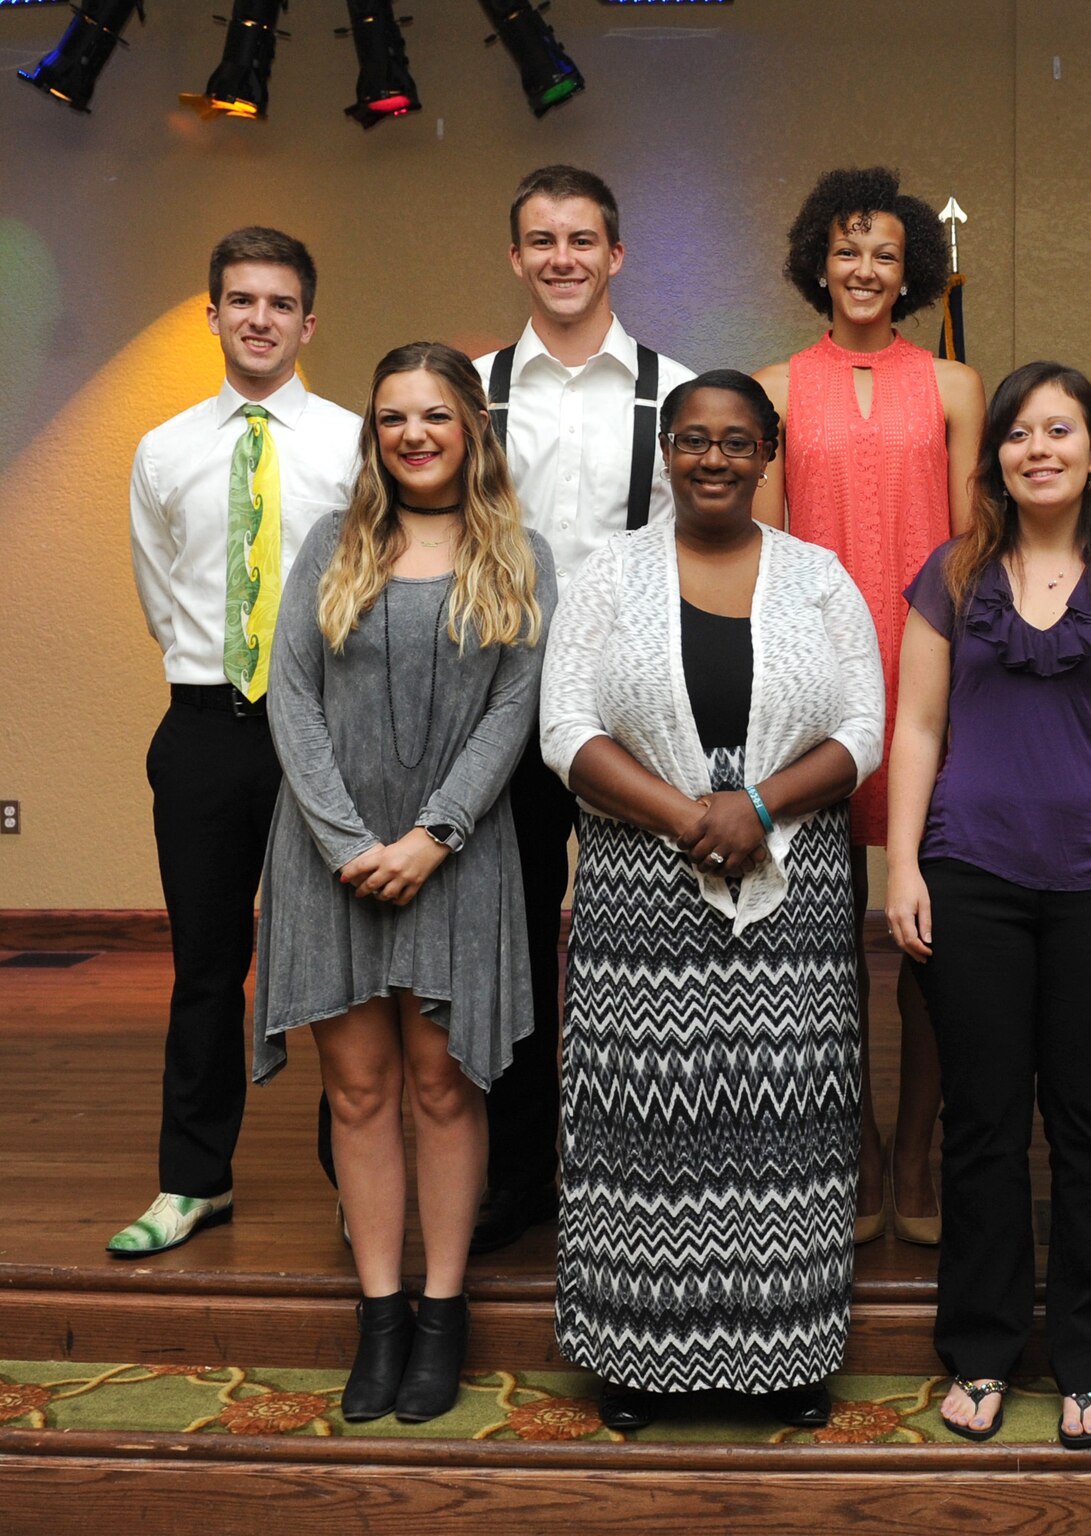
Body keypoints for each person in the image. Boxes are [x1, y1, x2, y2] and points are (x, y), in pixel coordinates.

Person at [538, 371, 884, 1432]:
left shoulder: (820, 579)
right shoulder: (608, 575)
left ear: (767, 452)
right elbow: (564, 728)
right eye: (693, 440)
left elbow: (863, 730)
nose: (714, 459)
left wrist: (756, 806)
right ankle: (638, 1360)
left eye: (737, 442)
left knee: (786, 1121)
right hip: (640, 883)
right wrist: (689, 816)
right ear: (667, 453)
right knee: (643, 1122)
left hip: (793, 886)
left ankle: (784, 1357)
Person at [885, 362, 1091, 1449]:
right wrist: (904, 866)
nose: (1038, 448)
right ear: (996, 460)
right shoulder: (952, 574)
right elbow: (914, 728)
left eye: (1059, 430)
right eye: (1018, 433)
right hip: (970, 874)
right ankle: (977, 1350)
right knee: (982, 1123)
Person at [254, 342, 554, 1423]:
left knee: (442, 1083)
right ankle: (378, 1316)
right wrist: (343, 839)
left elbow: (513, 713)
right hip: (325, 858)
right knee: (360, 1091)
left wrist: (432, 834)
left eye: (434, 414)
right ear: (372, 436)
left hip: (456, 859)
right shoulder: (333, 548)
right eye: (392, 418)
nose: (414, 434)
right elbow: (289, 697)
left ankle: (442, 1309)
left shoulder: (519, 553)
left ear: (470, 424)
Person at [114, 227, 360, 1258]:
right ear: (211, 313)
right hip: (208, 727)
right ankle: (193, 1180)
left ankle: (357, 1181)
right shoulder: (163, 449)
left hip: (331, 728)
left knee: (348, 968)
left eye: (279, 302)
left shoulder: (357, 442)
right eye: (240, 300)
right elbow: (158, 589)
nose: (259, 318)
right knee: (207, 962)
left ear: (309, 321)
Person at [465, 165, 695, 1255]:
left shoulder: (676, 391)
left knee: (626, 947)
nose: (562, 258)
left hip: (622, 720)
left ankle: (623, 1164)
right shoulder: (464, 391)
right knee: (507, 942)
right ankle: (516, 1169)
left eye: (582, 239)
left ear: (616, 255)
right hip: (494, 713)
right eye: (540, 240)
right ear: (514, 257)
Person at [754, 166, 985, 1248]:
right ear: (817, 260)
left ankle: (917, 1154)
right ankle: (843, 1147)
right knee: (820, 950)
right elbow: (750, 563)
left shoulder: (952, 386)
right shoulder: (771, 385)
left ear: (911, 272)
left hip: (933, 683)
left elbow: (979, 547)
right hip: (812, 695)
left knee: (929, 946)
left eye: (884, 253)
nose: (863, 269)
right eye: (846, 250)